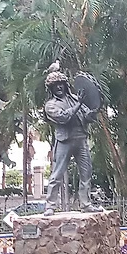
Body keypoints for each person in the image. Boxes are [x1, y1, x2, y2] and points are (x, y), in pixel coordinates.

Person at [42, 61, 102, 215]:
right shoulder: (50, 105)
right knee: (57, 175)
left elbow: (86, 115)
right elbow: (64, 117)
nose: (59, 87)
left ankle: (86, 204)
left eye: (61, 84)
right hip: (65, 141)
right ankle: (50, 206)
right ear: (51, 89)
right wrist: (79, 104)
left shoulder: (75, 98)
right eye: (55, 86)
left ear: (65, 85)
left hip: (81, 139)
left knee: (86, 173)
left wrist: (93, 112)